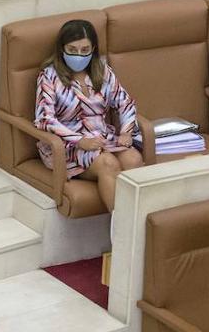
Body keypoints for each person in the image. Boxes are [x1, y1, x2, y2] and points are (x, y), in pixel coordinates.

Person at [34, 19, 143, 211]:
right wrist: (79, 140)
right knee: (108, 164)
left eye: (85, 50)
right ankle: (122, 232)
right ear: (62, 49)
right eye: (72, 49)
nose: (79, 55)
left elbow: (124, 102)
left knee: (133, 159)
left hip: (102, 138)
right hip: (67, 146)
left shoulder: (103, 71)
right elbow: (45, 119)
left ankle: (140, 222)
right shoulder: (49, 76)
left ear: (93, 49)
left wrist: (126, 132)